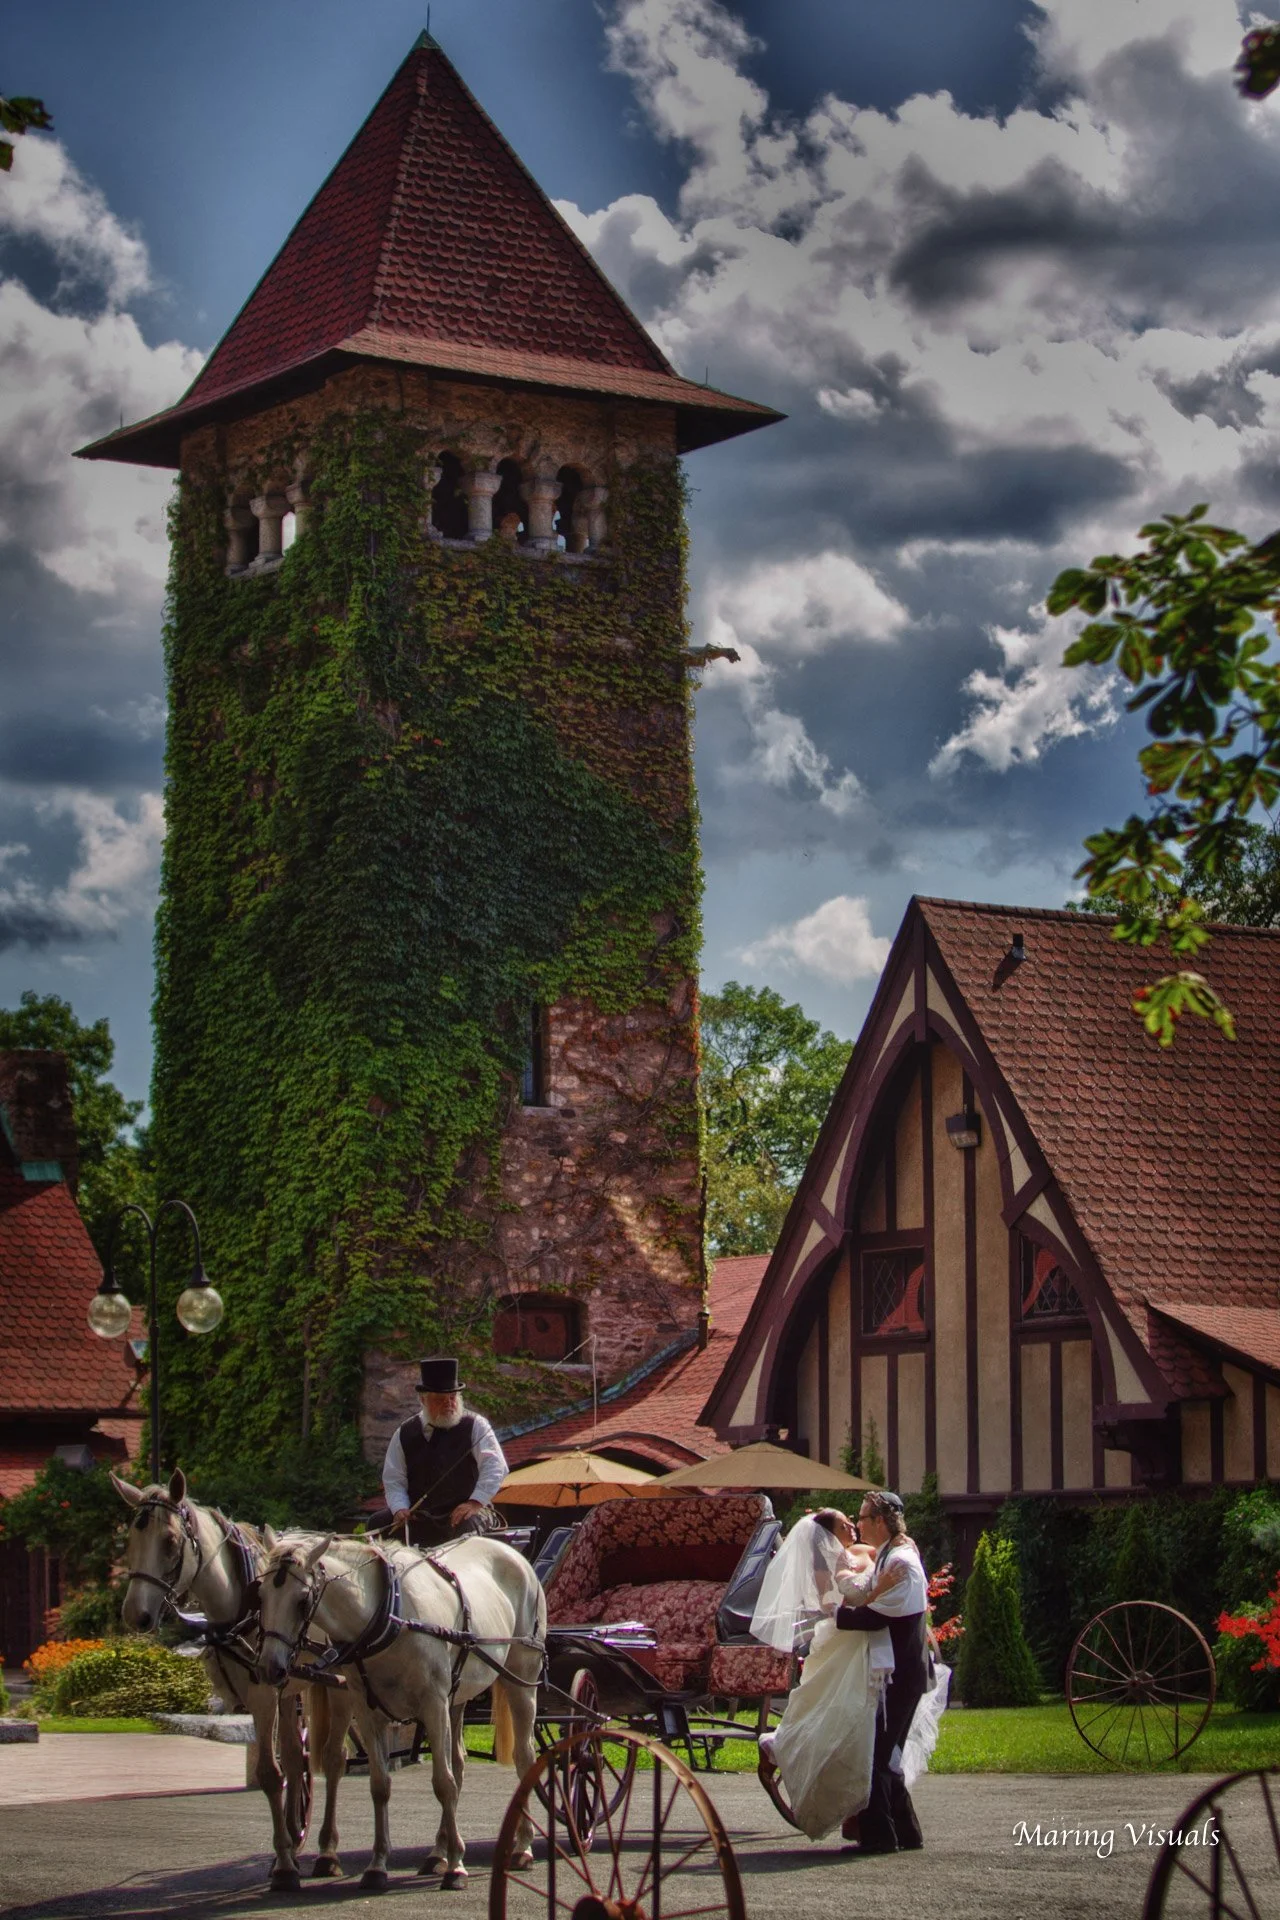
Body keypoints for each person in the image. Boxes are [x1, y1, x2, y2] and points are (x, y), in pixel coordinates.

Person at [750, 1508, 895, 1840]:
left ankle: (858, 1813)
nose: (851, 1527)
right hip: (844, 1637)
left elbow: (885, 1564)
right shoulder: (820, 1568)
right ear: (830, 1533)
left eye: (851, 1521)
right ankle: (781, 1746)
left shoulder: (863, 1552)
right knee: (843, 1712)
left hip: (866, 1637)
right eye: (844, 1524)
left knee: (858, 1720)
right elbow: (831, 1605)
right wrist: (861, 1594)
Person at [834, 1488, 939, 1855]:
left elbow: (871, 1616)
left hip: (903, 1675)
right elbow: (870, 1596)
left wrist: (832, 1616)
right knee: (887, 1755)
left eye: (862, 1517)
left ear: (879, 1521)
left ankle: (880, 1838)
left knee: (877, 1754)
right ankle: (906, 1834)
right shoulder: (891, 1555)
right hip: (898, 1672)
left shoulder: (901, 1564)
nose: (858, 1522)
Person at [380, 1356, 508, 1549]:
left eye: (452, 1398)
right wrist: (400, 1508)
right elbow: (393, 1479)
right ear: (423, 1400)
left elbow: (495, 1467)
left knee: (466, 1530)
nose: (449, 1404)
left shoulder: (476, 1426)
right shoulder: (404, 1433)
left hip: (469, 1511)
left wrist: (475, 1502)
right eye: (440, 1399)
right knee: (378, 1524)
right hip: (421, 1517)